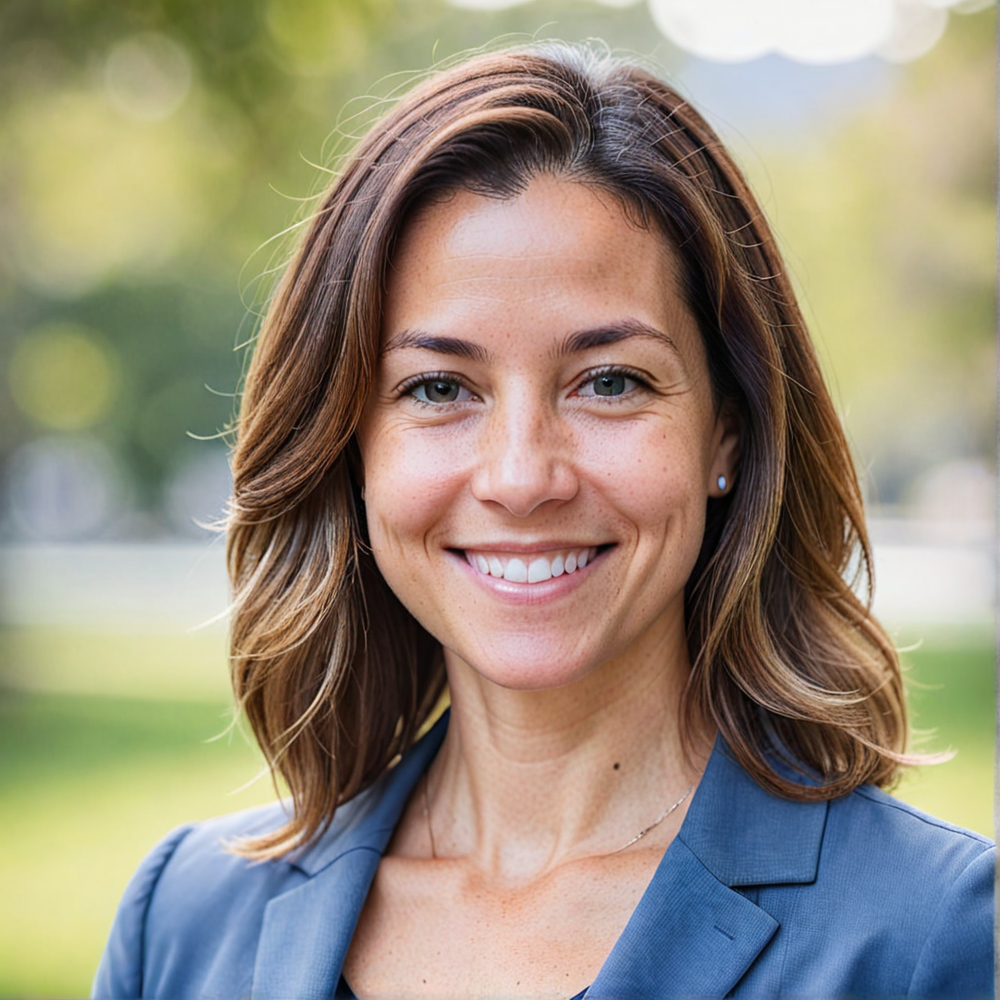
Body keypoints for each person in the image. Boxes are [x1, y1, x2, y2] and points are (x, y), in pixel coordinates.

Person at [93, 43, 994, 1000]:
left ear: (727, 432)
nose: (522, 477)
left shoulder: (933, 939)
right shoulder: (182, 925)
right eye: (439, 387)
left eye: (610, 382)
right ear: (350, 447)